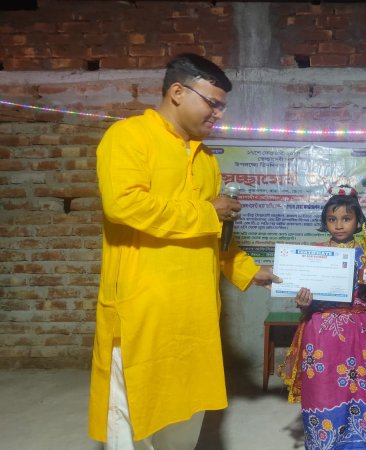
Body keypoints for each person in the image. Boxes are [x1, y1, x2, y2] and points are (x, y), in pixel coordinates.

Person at [88, 53, 280, 449]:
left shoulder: (206, 159)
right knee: (132, 418)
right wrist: (209, 212)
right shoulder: (129, 136)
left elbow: (216, 234)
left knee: (185, 414)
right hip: (142, 310)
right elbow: (123, 205)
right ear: (177, 92)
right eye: (213, 103)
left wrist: (248, 270)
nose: (218, 115)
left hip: (195, 314)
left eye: (222, 107)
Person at [278, 186, 366, 450]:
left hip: (360, 334)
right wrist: (303, 302)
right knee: (323, 387)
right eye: (332, 219)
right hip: (321, 333)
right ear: (325, 222)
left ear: (358, 222)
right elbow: (305, 302)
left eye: (346, 218)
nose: (339, 225)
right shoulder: (313, 256)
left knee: (364, 386)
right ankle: (326, 442)